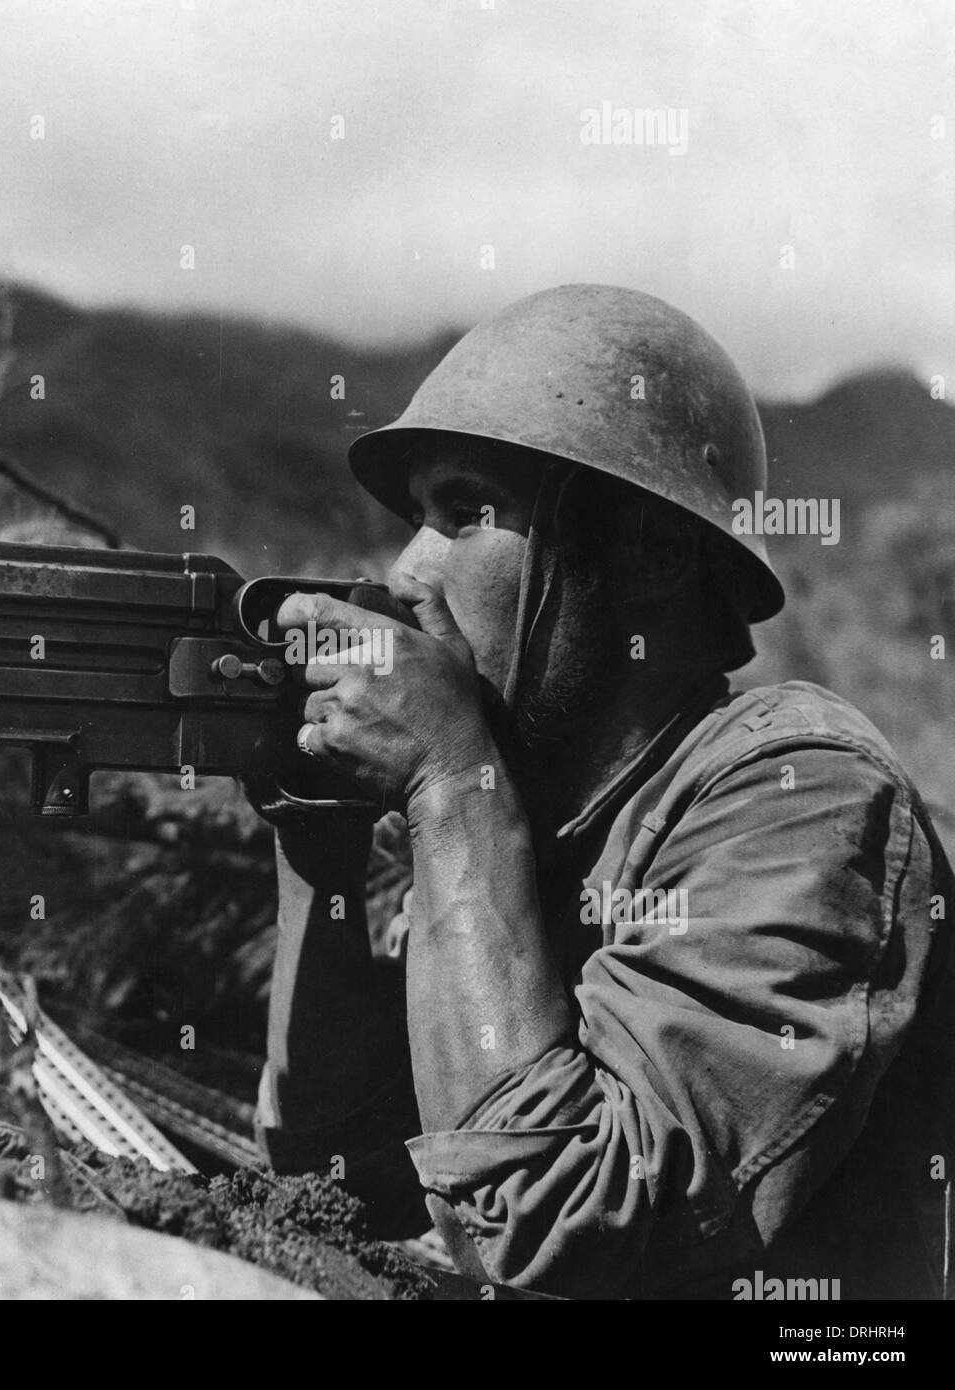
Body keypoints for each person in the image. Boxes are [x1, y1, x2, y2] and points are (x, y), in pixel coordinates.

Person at [250, 284, 954, 1300]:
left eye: (464, 512)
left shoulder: (801, 796)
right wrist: (317, 834)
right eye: (415, 518)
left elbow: (557, 1216)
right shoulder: (529, 824)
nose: (404, 571)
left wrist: (451, 783)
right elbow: (340, 1183)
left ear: (651, 555)